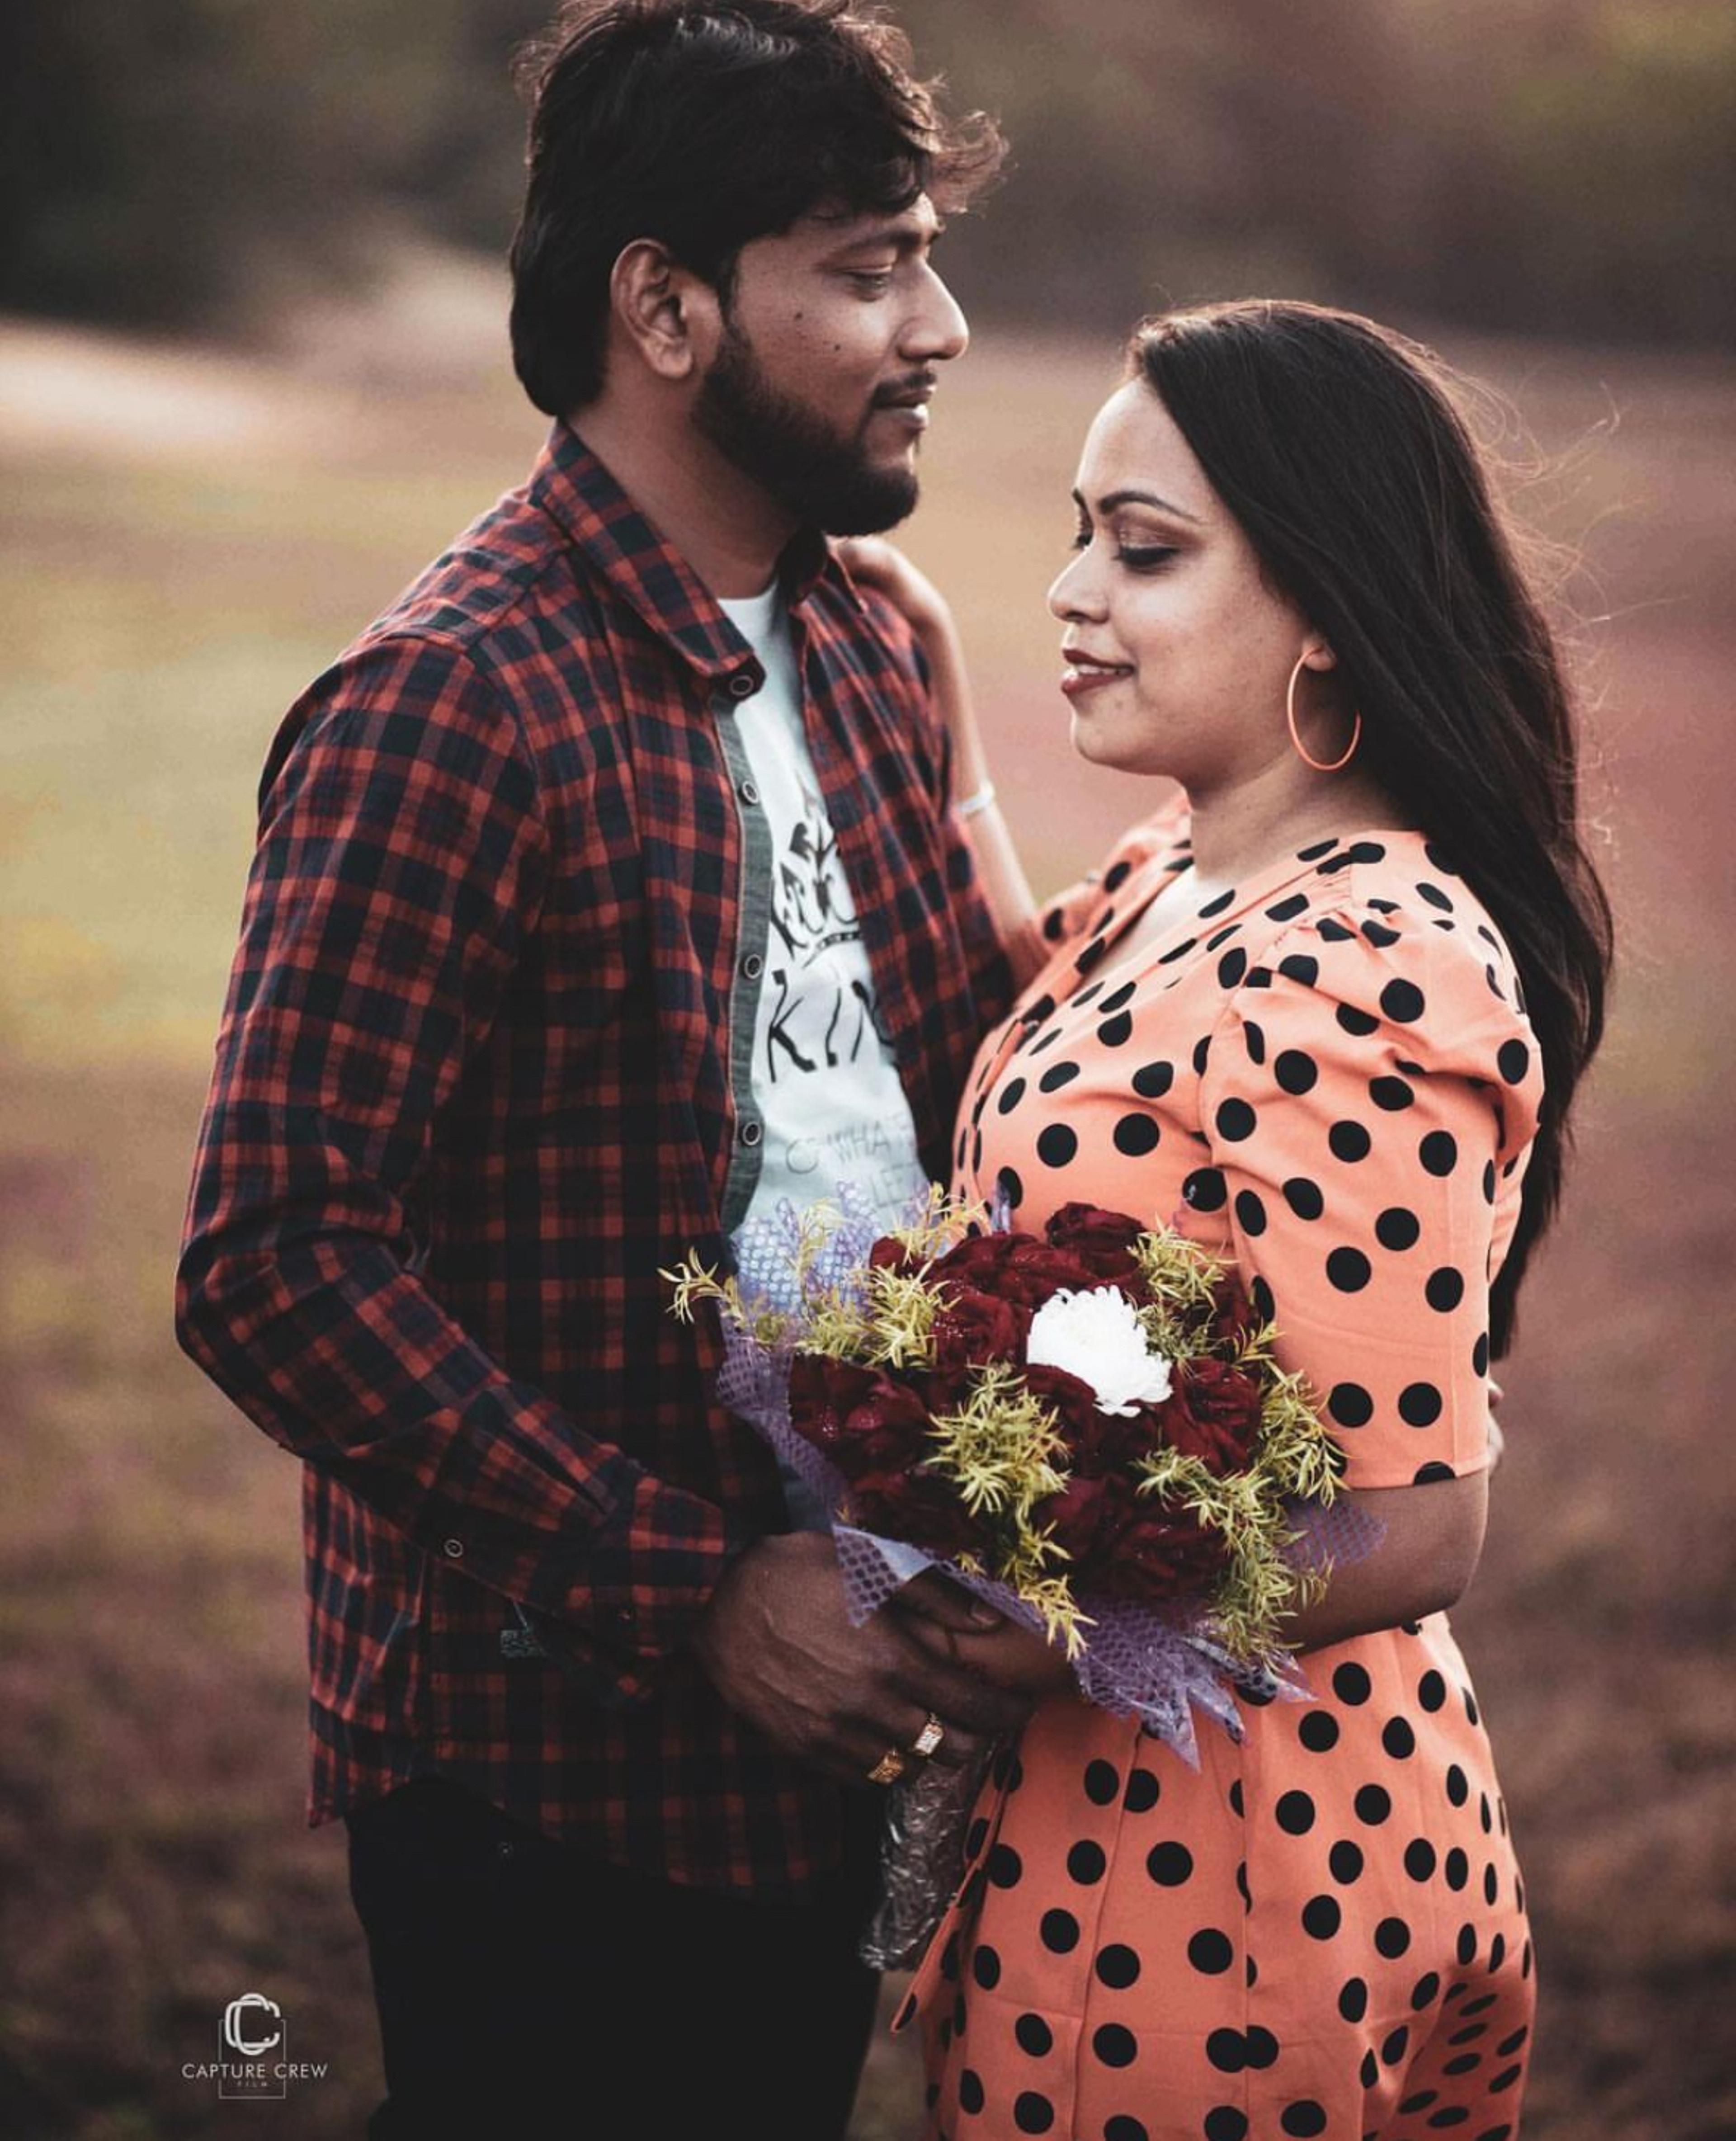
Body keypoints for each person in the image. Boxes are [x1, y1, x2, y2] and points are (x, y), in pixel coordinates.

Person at [172, 5, 1038, 2135]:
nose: (937, 321)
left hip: (861, 1728)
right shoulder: (448, 703)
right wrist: (694, 1589)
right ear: (660, 303)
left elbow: (961, 1092)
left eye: (925, 254)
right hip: (550, 1767)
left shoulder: (879, 634)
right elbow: (272, 1255)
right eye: (864, 265)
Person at [849, 299, 1613, 2139]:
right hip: (1103, 1818)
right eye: (1078, 532)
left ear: (1331, 604)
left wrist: (1082, 1620)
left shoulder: (1370, 960)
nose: (1073, 591)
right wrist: (926, 672)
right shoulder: (1179, 879)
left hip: (1236, 1865)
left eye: (1148, 549)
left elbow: (1420, 1527)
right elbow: (1037, 1046)